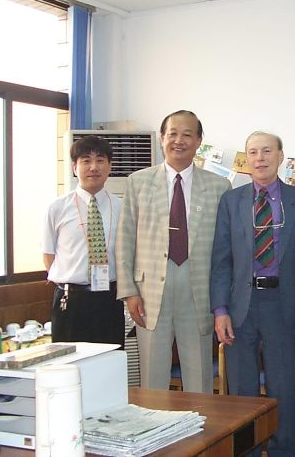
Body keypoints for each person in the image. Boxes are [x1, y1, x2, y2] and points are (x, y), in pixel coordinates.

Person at [116, 110, 231, 392]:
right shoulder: (138, 182)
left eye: (187, 134)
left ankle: (202, 432)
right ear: (161, 138)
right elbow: (125, 238)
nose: (179, 140)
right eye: (173, 134)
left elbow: (225, 249)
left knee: (200, 376)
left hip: (198, 289)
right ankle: (155, 434)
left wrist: (221, 301)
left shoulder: (219, 186)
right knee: (152, 377)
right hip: (149, 293)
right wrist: (129, 292)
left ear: (199, 140)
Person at [210, 131, 295, 456]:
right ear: (246, 158)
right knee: (242, 391)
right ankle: (248, 451)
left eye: (267, 151)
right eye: (253, 152)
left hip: (284, 304)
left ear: (281, 155)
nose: (260, 158)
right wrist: (220, 310)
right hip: (241, 306)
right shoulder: (232, 200)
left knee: (283, 390)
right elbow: (221, 259)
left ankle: (282, 452)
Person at [41, 135, 124, 348]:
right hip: (70, 301)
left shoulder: (123, 207)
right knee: (70, 368)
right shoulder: (57, 207)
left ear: (109, 166)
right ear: (75, 167)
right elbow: (49, 255)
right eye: (86, 160)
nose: (93, 167)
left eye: (100, 160)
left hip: (109, 299)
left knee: (109, 367)